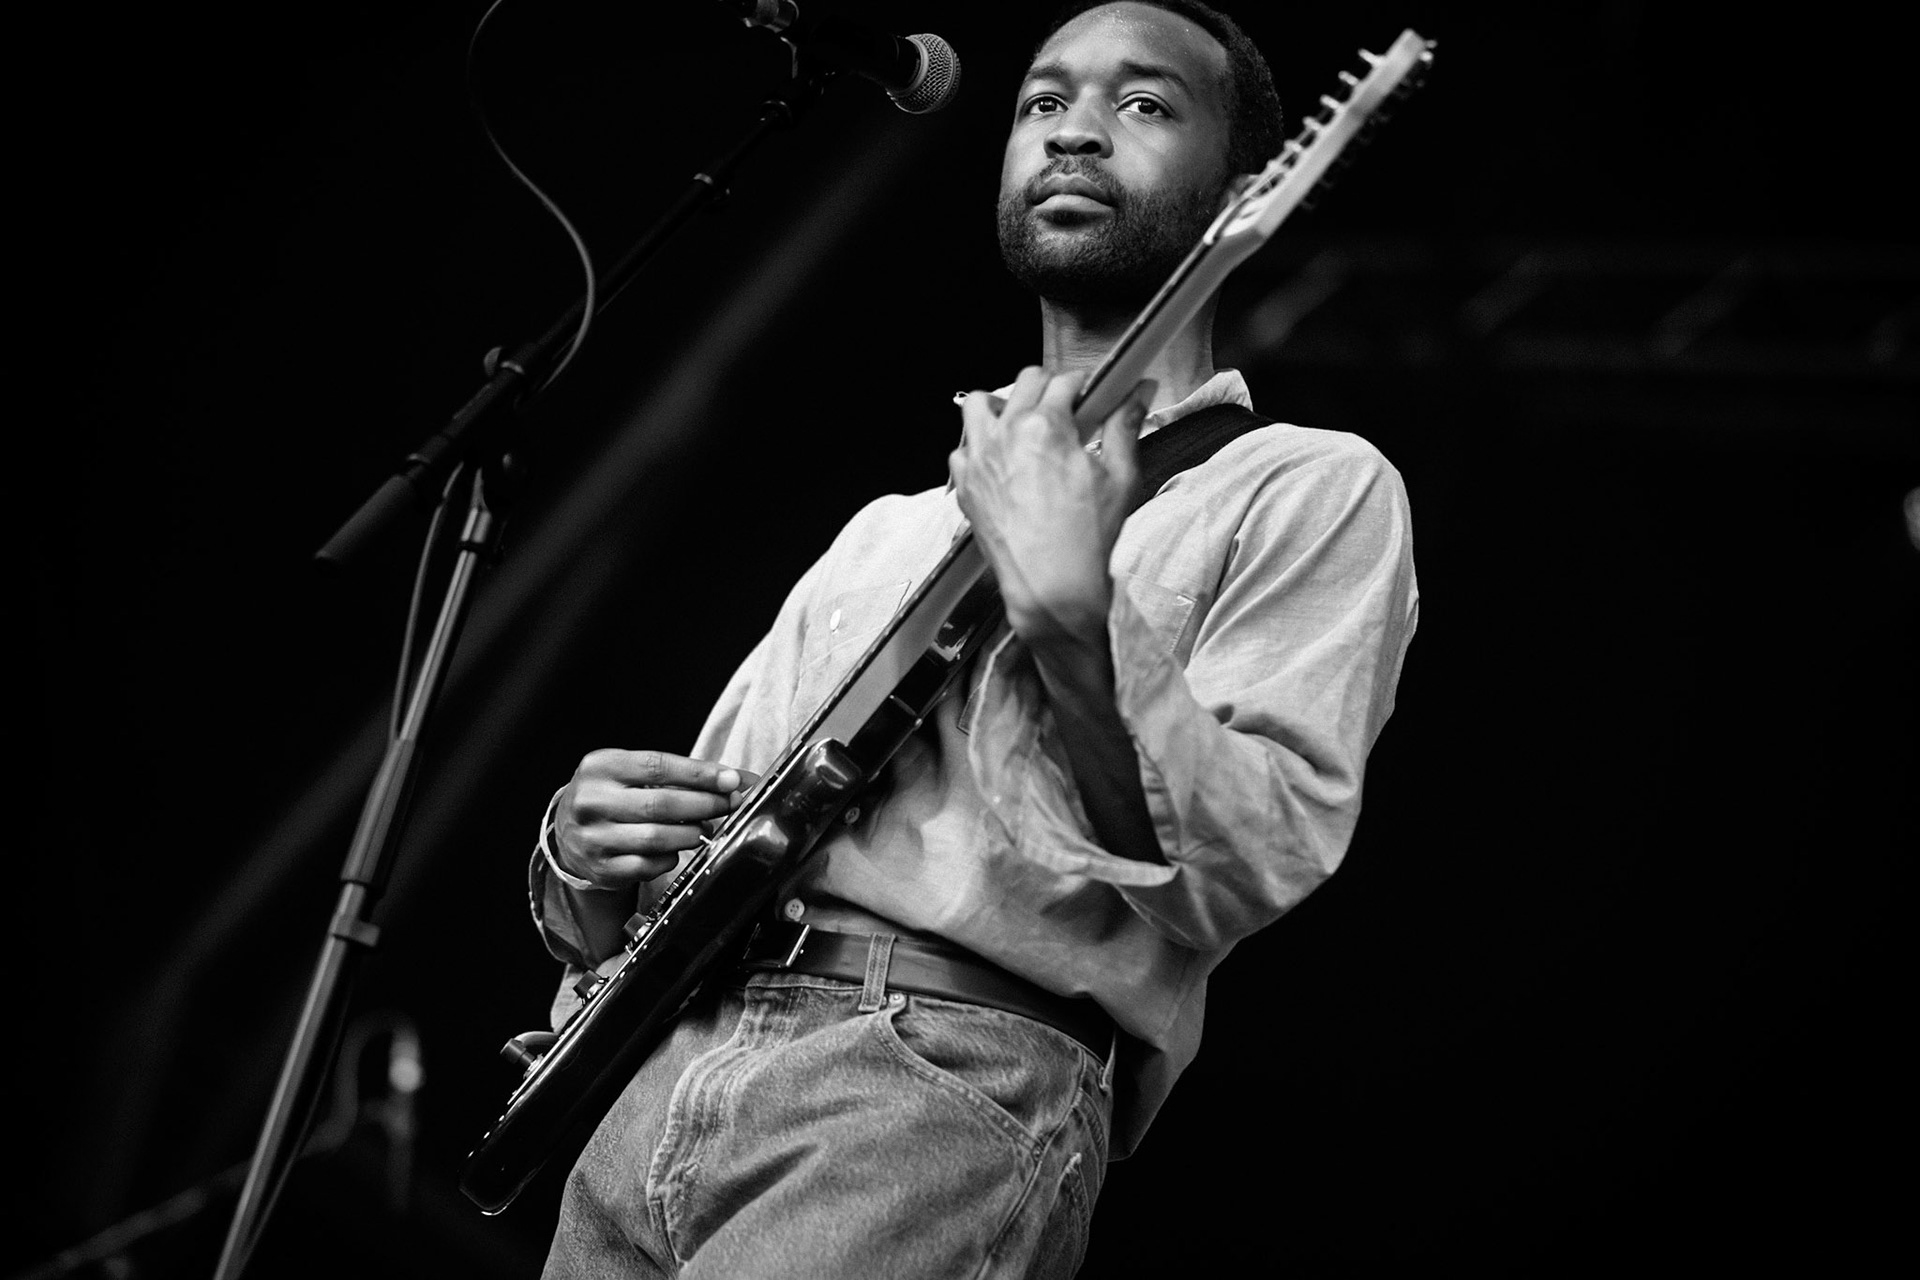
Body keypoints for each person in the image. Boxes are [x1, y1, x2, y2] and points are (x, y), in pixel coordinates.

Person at [528, 2, 1418, 1275]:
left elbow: (1240, 863)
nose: (1074, 133)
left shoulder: (1305, 486)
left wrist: (1073, 617)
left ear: (1247, 188)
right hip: (661, 1080)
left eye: (1144, 104)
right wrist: (585, 856)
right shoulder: (895, 528)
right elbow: (697, 849)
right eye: (1043, 103)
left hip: (933, 1073)